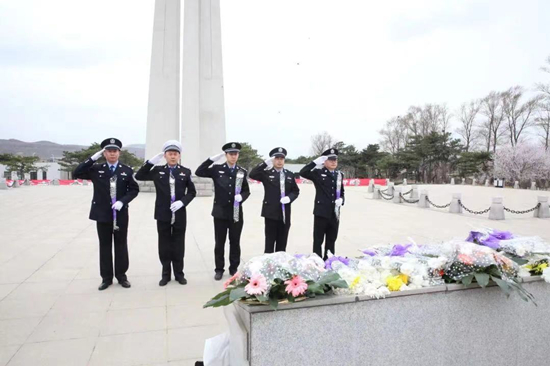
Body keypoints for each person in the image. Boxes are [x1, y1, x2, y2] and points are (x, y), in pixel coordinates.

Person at [73, 138, 139, 290]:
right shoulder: (96, 169)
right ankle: (106, 278)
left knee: (121, 245)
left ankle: (122, 276)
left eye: (115, 151)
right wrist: (92, 158)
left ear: (119, 153)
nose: (112, 154)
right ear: (104, 153)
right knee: (105, 245)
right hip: (102, 213)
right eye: (109, 151)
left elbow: (134, 189)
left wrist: (123, 201)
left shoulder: (126, 170)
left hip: (120, 214)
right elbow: (77, 172)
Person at [135, 140, 196, 286]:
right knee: (164, 245)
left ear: (179, 156)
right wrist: (150, 162)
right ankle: (165, 274)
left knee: (178, 244)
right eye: (170, 154)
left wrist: (183, 202)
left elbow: (192, 192)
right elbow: (139, 176)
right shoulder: (157, 171)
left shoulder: (185, 171)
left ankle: (179, 274)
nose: (173, 156)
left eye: (175, 154)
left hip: (179, 213)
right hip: (163, 213)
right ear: (165, 156)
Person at [195, 142, 250, 280]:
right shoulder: (217, 169)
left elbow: (246, 190)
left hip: (236, 212)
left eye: (235, 154)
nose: (233, 156)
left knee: (235, 241)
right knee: (220, 242)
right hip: (220, 212)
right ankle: (219, 269)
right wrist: (211, 160)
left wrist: (241, 197)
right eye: (231, 154)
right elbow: (199, 171)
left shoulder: (241, 171)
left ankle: (233, 268)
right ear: (226, 155)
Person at [249, 147, 299, 253]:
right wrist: (264, 163)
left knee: (282, 243)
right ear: (273, 160)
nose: (279, 161)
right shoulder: (266, 173)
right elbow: (252, 174)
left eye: (282, 158)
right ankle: (269, 266)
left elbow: (296, 191)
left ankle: (280, 266)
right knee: (269, 242)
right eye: (277, 158)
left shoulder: (289, 174)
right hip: (270, 213)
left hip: (285, 213)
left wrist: (289, 198)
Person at [299, 148, 345, 260]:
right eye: (330, 160)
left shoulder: (339, 175)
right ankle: (317, 261)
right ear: (324, 161)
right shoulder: (318, 173)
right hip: (321, 212)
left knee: (331, 239)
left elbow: (342, 191)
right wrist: (315, 162)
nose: (334, 162)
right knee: (318, 240)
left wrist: (342, 200)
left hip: (335, 213)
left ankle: (329, 260)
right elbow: (303, 172)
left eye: (335, 160)